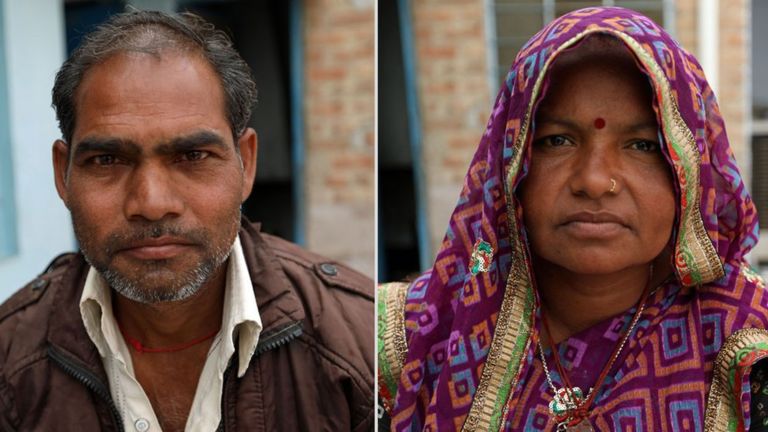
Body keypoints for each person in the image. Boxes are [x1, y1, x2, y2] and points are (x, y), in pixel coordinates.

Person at [378, 6, 767, 431]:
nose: (595, 181)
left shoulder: (749, 349)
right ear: (510, 166)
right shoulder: (401, 343)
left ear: (690, 173)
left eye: (641, 145)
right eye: (557, 140)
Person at [0, 10, 374, 432]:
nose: (152, 204)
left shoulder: (362, 350)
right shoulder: (10, 367)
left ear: (245, 164)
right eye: (107, 160)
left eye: (193, 157)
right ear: (63, 175)